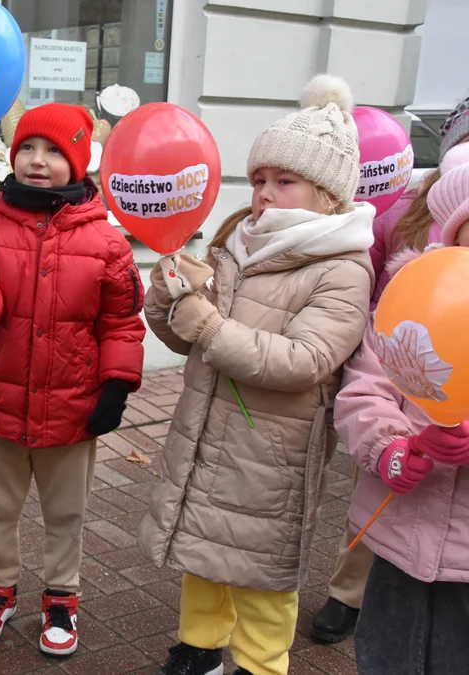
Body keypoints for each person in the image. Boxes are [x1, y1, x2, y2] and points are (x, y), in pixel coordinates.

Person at [138, 74, 374, 675]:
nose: (265, 193)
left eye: (285, 180)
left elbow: (306, 361)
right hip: (207, 436)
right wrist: (167, 300)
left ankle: (262, 663)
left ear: (327, 194)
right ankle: (198, 646)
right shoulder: (235, 242)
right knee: (203, 554)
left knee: (263, 575)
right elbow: (184, 339)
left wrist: (209, 326)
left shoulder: (342, 269)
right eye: (261, 179)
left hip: (272, 453)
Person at [0, 103, 146, 655]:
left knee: (67, 512)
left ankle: (62, 597)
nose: (39, 161)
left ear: (79, 162)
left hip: (73, 405)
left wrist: (116, 385)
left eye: (55, 150)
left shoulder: (107, 241)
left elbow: (122, 320)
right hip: (0, 402)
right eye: (29, 148)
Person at [312, 95, 469, 644]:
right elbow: (367, 390)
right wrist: (393, 447)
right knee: (388, 650)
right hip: (401, 522)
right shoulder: (411, 246)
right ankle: (345, 593)